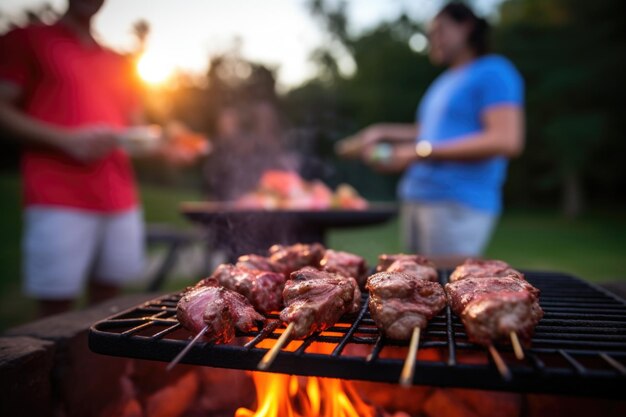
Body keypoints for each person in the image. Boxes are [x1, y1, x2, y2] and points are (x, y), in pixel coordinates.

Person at [0, 0, 198, 317]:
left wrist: (168, 146)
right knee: (56, 315)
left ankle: (99, 369)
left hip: (119, 200)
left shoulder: (117, 61)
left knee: (108, 311)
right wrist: (65, 140)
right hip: (57, 196)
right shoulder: (27, 39)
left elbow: (134, 132)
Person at [337, 2, 524, 264]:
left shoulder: (493, 71)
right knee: (416, 291)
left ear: (466, 27)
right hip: (418, 199)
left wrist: (416, 153)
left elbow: (506, 139)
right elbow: (430, 132)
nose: (432, 40)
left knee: (447, 290)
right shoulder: (443, 82)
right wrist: (380, 133)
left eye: (439, 31)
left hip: (455, 203)